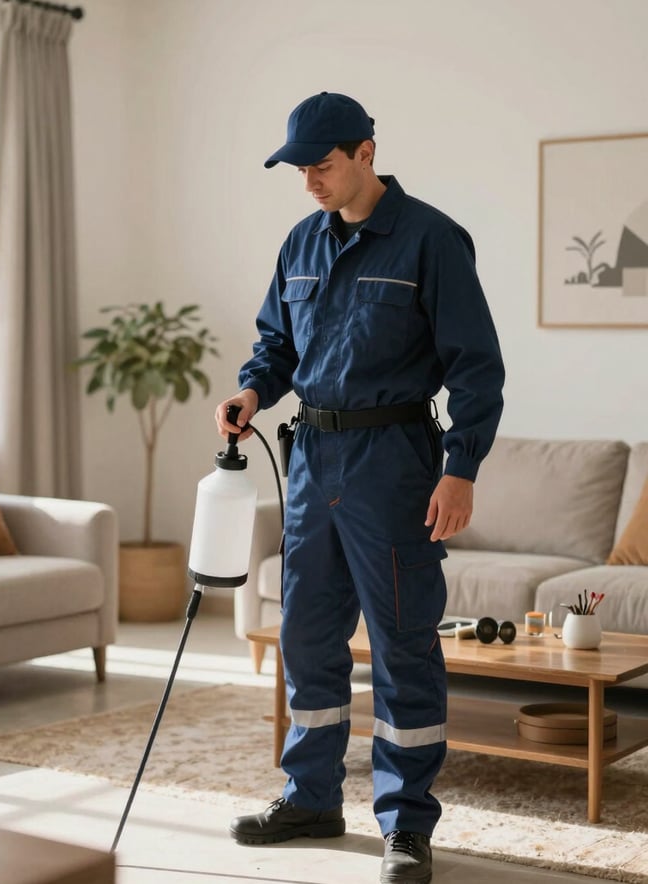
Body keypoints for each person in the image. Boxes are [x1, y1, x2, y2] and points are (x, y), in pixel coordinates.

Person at [214, 91, 504, 884]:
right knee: (308, 636)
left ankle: (407, 825)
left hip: (396, 463)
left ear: (366, 153)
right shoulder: (301, 243)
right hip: (311, 459)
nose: (310, 181)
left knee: (403, 643)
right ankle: (310, 795)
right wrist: (250, 393)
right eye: (300, 169)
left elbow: (477, 369)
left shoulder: (431, 241)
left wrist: (461, 469)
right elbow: (276, 344)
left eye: (322, 165)